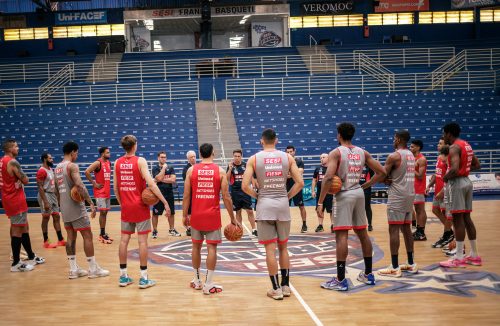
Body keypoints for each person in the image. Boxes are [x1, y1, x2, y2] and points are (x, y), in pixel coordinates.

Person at [317, 123, 385, 291]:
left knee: (341, 236)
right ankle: (368, 274)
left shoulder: (336, 152)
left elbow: (327, 178)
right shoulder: (363, 152)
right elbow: (382, 172)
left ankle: (340, 279)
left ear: (339, 135)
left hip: (344, 194)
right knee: (362, 233)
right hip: (358, 193)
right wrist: (366, 185)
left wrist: (320, 202)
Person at [243, 129, 304, 300]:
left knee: (270, 250)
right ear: (276, 140)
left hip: (265, 207)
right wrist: (287, 196)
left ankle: (275, 289)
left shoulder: (254, 159)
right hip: (282, 206)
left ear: (262, 141)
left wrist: (258, 196)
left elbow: (244, 186)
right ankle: (286, 286)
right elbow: (299, 182)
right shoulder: (288, 157)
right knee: (283, 247)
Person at [183, 143, 240, 295]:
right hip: (212, 216)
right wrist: (232, 218)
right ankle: (208, 284)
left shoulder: (191, 170)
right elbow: (226, 197)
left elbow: (186, 195)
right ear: (213, 154)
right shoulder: (220, 171)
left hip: (196, 215)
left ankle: (196, 281)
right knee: (211, 248)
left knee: (195, 247)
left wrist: (184, 215)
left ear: (200, 155)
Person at [114, 135, 170, 289]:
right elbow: (151, 184)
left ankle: (123, 276)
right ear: (135, 145)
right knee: (142, 241)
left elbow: (115, 187)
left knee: (124, 240)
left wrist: (122, 204)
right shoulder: (140, 161)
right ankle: (144, 278)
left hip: (126, 206)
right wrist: (164, 202)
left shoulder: (117, 162)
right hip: (139, 206)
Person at [54, 141, 109, 279]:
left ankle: (73, 270)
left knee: (70, 237)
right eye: (77, 153)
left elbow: (56, 191)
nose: (77, 155)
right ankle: (93, 269)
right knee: (87, 236)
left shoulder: (57, 168)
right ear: (72, 152)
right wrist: (90, 202)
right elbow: (79, 185)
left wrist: (61, 206)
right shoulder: (72, 166)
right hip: (76, 208)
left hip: (64, 209)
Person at [440, 122, 481, 268]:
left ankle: (458, 257)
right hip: (467, 182)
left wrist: (445, 178)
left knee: (457, 220)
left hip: (457, 183)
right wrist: (465, 170)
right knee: (467, 218)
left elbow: (455, 169)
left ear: (449, 134)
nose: (443, 136)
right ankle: (474, 255)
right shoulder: (466, 144)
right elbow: (477, 164)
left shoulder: (454, 147)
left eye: (444, 133)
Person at [378, 130, 418, 277]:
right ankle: (411, 263)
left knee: (393, 230)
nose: (393, 140)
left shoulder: (394, 156)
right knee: (406, 229)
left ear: (399, 139)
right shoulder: (411, 155)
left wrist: (382, 180)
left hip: (398, 195)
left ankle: (395, 266)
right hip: (409, 194)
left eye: (395, 138)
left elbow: (382, 175)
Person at [1, 139, 45, 272]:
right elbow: (25, 180)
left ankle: (31, 256)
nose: (18, 148)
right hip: (15, 199)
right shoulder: (12, 162)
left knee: (24, 228)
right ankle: (16, 263)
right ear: (9, 149)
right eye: (15, 146)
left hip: (10, 198)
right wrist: (23, 178)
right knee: (17, 231)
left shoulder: (2, 160)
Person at [426, 139, 454, 248]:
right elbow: (437, 173)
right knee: (435, 210)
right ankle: (449, 232)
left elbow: (449, 176)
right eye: (438, 143)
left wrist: (443, 190)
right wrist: (429, 185)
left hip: (444, 190)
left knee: (447, 214)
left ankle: (447, 234)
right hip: (437, 189)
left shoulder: (449, 159)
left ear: (447, 145)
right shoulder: (440, 157)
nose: (438, 145)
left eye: (440, 143)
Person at [36, 152, 65, 248]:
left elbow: (54, 184)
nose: (52, 160)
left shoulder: (50, 169)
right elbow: (40, 187)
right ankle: (46, 241)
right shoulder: (41, 171)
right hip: (45, 195)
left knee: (56, 217)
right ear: (45, 159)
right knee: (46, 218)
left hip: (52, 195)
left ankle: (60, 239)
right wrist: (45, 201)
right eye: (50, 158)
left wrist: (58, 196)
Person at [85, 146, 113, 244]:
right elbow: (87, 171)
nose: (109, 154)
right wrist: (94, 183)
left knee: (105, 213)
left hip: (107, 191)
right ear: (102, 154)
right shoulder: (98, 163)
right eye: (107, 152)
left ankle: (103, 233)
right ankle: (101, 234)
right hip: (100, 192)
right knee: (102, 212)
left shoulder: (109, 163)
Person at [227, 149, 257, 236]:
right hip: (235, 192)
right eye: (235, 156)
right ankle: (239, 230)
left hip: (245, 191)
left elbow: (251, 176)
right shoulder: (230, 166)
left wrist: (254, 186)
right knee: (238, 211)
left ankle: (254, 229)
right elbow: (227, 179)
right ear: (233, 156)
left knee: (250, 211)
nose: (237, 158)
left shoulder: (246, 165)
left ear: (241, 156)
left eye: (238, 156)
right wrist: (229, 169)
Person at [151, 151, 180, 238]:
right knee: (155, 213)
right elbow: (158, 178)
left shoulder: (170, 167)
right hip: (158, 194)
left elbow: (173, 180)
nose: (164, 159)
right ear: (158, 158)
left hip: (169, 193)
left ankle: (171, 230)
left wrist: (160, 179)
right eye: (162, 157)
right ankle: (155, 231)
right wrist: (163, 169)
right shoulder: (155, 168)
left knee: (171, 213)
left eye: (165, 157)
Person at [285, 145, 307, 233]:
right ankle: (284, 226)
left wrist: (290, 174)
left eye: (291, 151)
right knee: (285, 207)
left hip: (296, 187)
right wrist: (293, 173)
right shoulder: (284, 162)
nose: (289, 153)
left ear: (294, 151)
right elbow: (284, 174)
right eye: (288, 152)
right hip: (286, 187)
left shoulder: (299, 161)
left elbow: (300, 171)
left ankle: (304, 224)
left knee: (301, 206)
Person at [311, 153, 334, 233]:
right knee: (319, 210)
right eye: (320, 158)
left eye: (323, 157)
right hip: (320, 193)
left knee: (332, 210)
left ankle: (333, 225)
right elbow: (314, 180)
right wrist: (313, 191)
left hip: (330, 193)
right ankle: (320, 225)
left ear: (328, 158)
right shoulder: (318, 169)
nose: (321, 159)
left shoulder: (332, 168)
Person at [410, 139, 428, 241]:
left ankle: (421, 233)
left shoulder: (422, 159)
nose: (410, 148)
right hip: (412, 187)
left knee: (420, 210)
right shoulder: (413, 158)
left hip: (418, 188)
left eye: (412, 147)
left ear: (418, 147)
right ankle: (418, 230)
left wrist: (411, 168)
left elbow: (420, 176)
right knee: (417, 210)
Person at [182, 150, 197, 236]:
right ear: (188, 158)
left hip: (197, 193)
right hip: (190, 193)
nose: (193, 158)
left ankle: (196, 226)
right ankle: (189, 228)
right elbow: (187, 182)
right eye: (191, 157)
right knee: (189, 211)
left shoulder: (197, 167)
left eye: (194, 156)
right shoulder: (186, 169)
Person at [360, 166, 375, 231]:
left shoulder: (369, 168)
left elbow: (372, 179)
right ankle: (359, 224)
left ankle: (370, 224)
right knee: (357, 208)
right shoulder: (356, 166)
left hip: (366, 190)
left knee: (367, 207)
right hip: (356, 189)